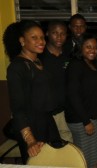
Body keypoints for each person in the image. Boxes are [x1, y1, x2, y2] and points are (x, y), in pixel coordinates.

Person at [3, 20, 61, 163]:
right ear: (22, 41)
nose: (41, 41)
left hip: (48, 122)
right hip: (31, 127)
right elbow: (17, 109)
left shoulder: (38, 62)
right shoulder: (16, 68)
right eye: (34, 37)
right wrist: (30, 140)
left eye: (42, 37)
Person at [65, 33, 97, 168]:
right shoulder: (76, 65)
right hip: (82, 120)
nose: (92, 50)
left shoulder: (94, 64)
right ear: (80, 47)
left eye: (95, 47)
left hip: (94, 118)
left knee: (94, 156)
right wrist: (86, 121)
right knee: (85, 159)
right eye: (88, 47)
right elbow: (73, 95)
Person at [39, 21, 73, 142]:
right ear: (47, 33)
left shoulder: (69, 56)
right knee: (46, 152)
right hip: (44, 113)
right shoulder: (39, 57)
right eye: (55, 33)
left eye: (63, 33)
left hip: (64, 112)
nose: (59, 37)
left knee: (68, 149)